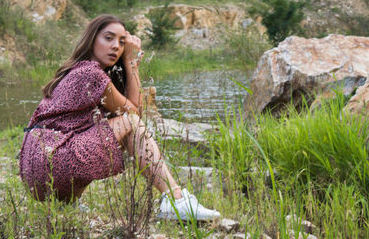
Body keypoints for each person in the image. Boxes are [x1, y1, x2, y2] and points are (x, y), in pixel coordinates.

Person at [18, 14, 221, 221]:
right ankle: (175, 199)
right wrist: (131, 63)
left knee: (102, 128)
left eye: (122, 42)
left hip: (35, 171)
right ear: (92, 39)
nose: (116, 46)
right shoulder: (91, 73)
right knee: (130, 123)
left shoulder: (78, 69)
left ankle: (66, 203)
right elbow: (134, 114)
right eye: (108, 38)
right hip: (51, 163)